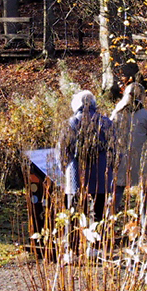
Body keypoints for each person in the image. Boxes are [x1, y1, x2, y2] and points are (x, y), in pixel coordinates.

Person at [58, 90, 114, 224]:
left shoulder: (70, 124)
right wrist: (111, 170)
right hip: (101, 177)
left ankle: (73, 243)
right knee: (99, 216)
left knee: (74, 215)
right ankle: (98, 242)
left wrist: (64, 170)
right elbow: (115, 150)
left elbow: (62, 153)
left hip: (75, 176)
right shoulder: (106, 123)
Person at [110, 82, 147, 235]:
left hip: (121, 159)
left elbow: (109, 136)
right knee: (146, 192)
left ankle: (107, 225)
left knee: (116, 192)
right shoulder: (146, 115)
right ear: (142, 96)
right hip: (141, 159)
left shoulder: (116, 113)